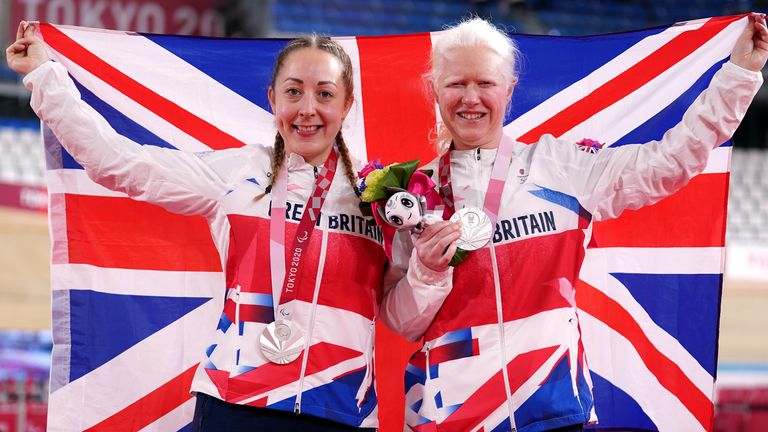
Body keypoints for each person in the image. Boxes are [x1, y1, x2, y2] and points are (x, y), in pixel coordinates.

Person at [6, 21, 459, 431]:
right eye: (294, 91)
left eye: (324, 94)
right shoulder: (236, 175)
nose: (307, 109)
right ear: (273, 99)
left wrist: (429, 271)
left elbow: (403, 318)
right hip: (235, 404)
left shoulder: (379, 196)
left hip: (341, 411)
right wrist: (45, 77)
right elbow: (116, 163)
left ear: (347, 106)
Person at [379, 13, 768, 432]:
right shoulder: (412, 197)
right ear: (435, 90)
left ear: (508, 90)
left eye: (485, 83)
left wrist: (739, 76)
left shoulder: (560, 167)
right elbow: (402, 322)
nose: (470, 98)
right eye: (456, 84)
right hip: (447, 415)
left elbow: (670, 160)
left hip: (550, 407)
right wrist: (427, 273)